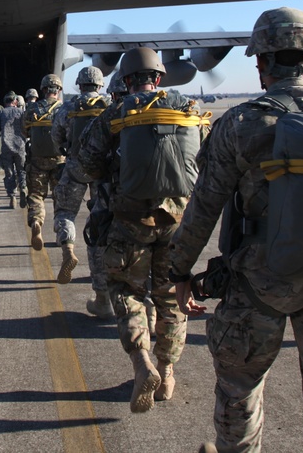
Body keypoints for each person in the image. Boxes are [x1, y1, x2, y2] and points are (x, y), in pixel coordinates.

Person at [168, 7, 303, 452]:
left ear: (260, 62)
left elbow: (203, 208)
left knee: (239, 388)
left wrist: (179, 272)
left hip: (261, 279)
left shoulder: (241, 123)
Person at [78, 47, 206, 413]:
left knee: (126, 289)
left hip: (129, 220)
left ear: (126, 80)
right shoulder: (187, 108)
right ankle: (166, 373)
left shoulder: (116, 111)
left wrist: (115, 176)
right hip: (178, 220)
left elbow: (88, 161)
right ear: (159, 77)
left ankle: (141, 362)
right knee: (170, 296)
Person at [50, 65, 107, 284]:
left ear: (80, 85)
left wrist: (64, 149)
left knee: (65, 211)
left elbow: (56, 135)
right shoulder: (109, 106)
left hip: (75, 166)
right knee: (102, 217)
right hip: (102, 171)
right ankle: (101, 270)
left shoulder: (68, 107)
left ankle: (68, 250)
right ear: (100, 85)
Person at [82, 73, 129, 319]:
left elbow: (88, 158)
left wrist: (103, 178)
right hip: (168, 200)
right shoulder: (175, 107)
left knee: (96, 236)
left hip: (117, 195)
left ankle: (103, 300)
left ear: (113, 93)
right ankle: (158, 311)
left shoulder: (110, 115)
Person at [22, 75, 66, 251]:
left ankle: (36, 222)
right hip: (60, 161)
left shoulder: (32, 108)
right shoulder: (64, 109)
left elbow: (24, 131)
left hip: (37, 160)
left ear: (43, 89)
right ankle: (61, 235)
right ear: (59, 90)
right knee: (60, 199)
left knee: (36, 195)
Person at [0, 91, 26, 208]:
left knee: (9, 174)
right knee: (22, 171)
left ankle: (12, 196)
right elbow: (28, 130)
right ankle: (23, 188)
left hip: (6, 148)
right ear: (15, 101)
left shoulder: (0, 114)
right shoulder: (21, 113)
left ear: (5, 102)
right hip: (20, 147)